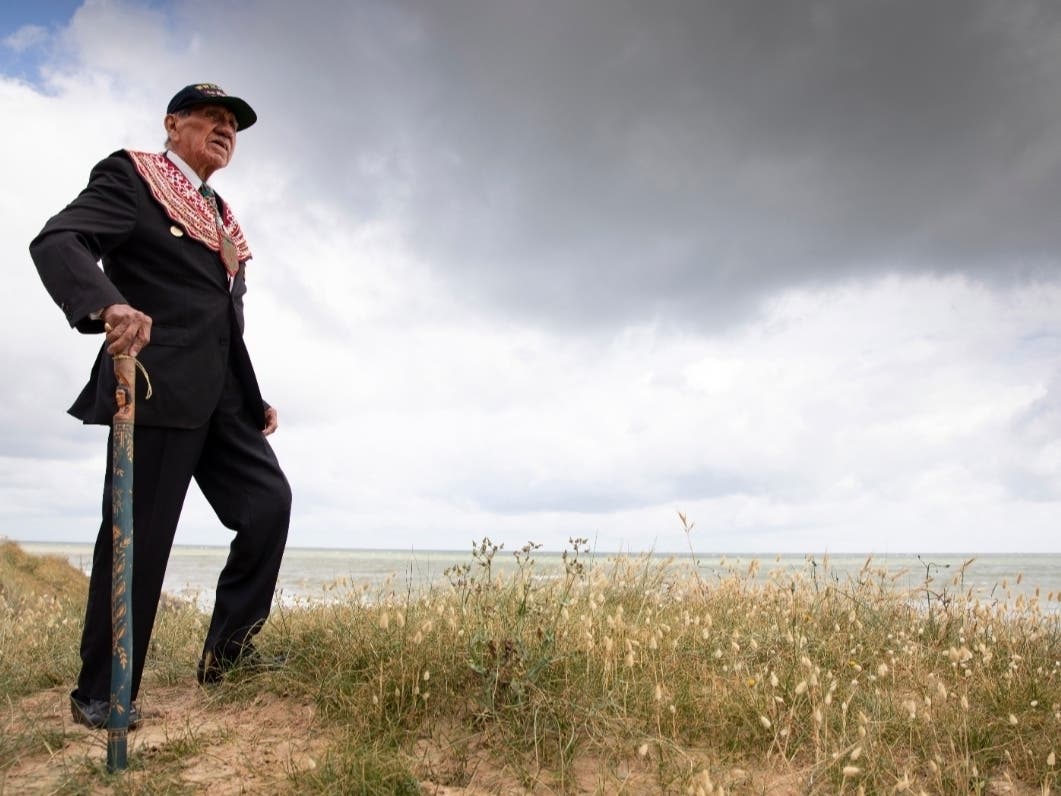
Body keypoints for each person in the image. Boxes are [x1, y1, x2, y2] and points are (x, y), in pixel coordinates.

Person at [29, 83, 292, 730]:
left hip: (224, 396)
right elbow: (59, 239)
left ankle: (227, 655)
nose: (225, 128)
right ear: (173, 124)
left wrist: (252, 398)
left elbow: (225, 319)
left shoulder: (222, 216)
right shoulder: (134, 178)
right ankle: (102, 693)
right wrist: (106, 303)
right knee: (136, 542)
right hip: (156, 383)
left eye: (234, 123)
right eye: (212, 117)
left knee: (267, 507)